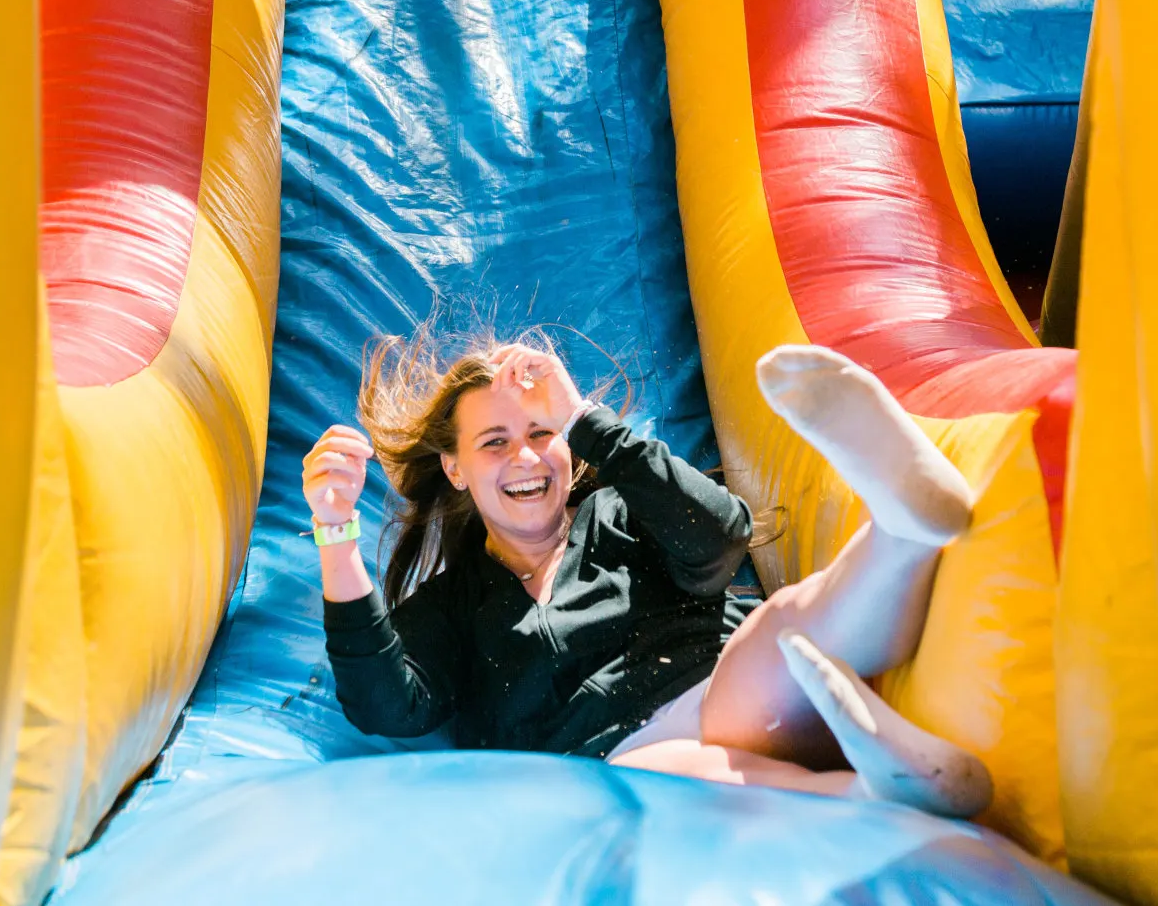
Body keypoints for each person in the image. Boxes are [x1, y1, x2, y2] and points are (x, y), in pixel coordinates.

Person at [304, 336, 993, 813]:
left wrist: (580, 416)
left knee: (780, 630)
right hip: (623, 757)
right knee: (678, 771)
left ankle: (902, 533)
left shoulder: (622, 507)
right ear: (454, 469)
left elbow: (722, 537)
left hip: (747, 688)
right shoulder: (452, 605)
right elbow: (386, 704)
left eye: (541, 432)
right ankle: (887, 787)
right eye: (495, 442)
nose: (526, 457)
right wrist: (337, 539)